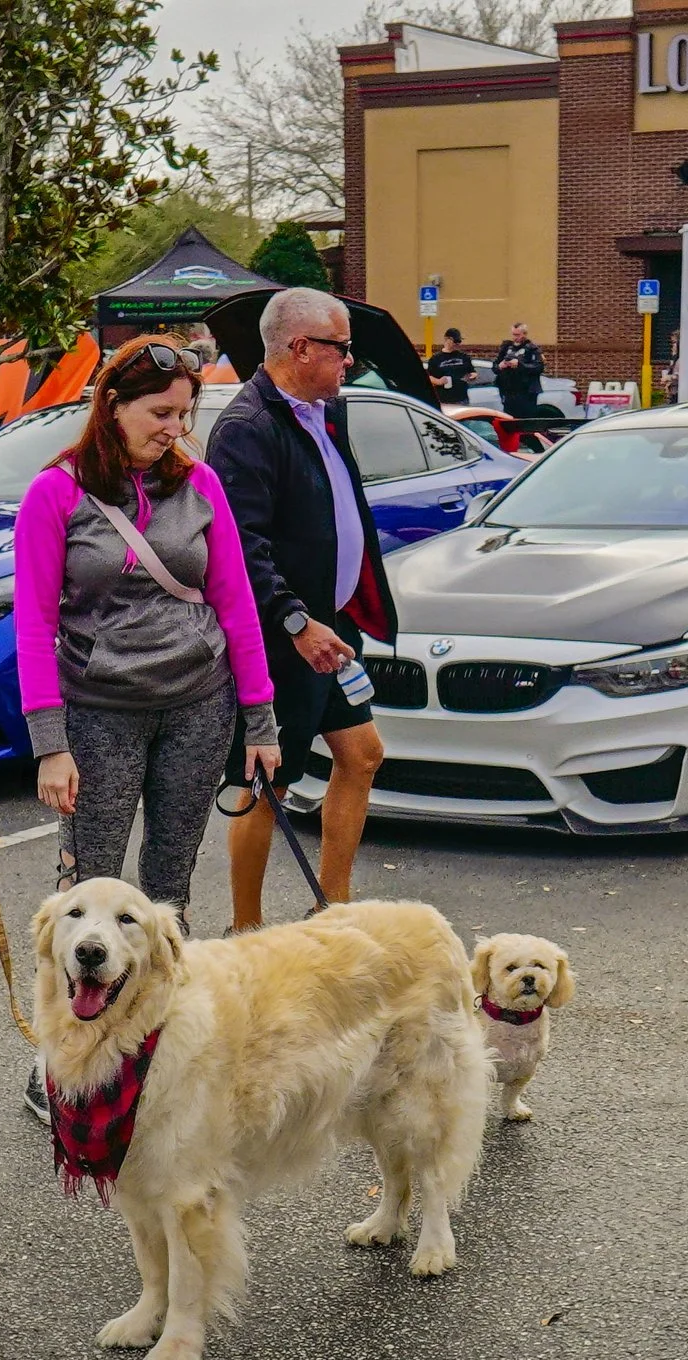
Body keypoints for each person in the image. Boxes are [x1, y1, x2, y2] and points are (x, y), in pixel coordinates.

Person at [16, 334, 280, 910]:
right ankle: (79, 1000)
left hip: (200, 704)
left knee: (168, 891)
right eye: (160, 412)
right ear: (112, 403)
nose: (174, 429)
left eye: (184, 415)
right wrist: (50, 746)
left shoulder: (200, 485)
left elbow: (235, 605)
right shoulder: (54, 492)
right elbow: (33, 628)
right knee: (89, 890)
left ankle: (165, 1000)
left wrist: (260, 721)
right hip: (98, 711)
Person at [206, 287, 399, 932]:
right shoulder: (246, 428)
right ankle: (246, 930)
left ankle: (332, 911)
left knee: (362, 753)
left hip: (332, 625)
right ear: (300, 347)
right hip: (284, 633)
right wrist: (294, 619)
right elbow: (239, 548)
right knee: (267, 779)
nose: (350, 361)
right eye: (340, 349)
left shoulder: (325, 411)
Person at [494, 322, 546, 420]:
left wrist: (519, 365)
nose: (515, 338)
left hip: (526, 392)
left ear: (524, 334)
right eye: (513, 334)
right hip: (509, 391)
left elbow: (538, 367)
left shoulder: (532, 349)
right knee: (509, 420)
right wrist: (500, 366)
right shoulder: (507, 348)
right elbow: (495, 366)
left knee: (526, 420)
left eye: (517, 335)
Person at [426, 328, 475, 405]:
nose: (457, 344)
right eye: (455, 341)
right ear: (447, 339)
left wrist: (471, 376)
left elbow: (473, 372)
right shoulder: (436, 358)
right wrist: (439, 382)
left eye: (459, 341)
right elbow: (429, 377)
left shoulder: (464, 357)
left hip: (462, 399)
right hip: (443, 400)